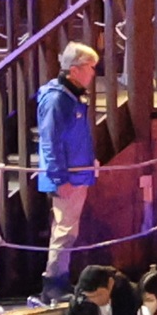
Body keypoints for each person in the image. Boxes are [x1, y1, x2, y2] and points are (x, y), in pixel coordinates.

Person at [34, 41, 108, 297]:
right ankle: (54, 284)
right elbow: (50, 141)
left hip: (77, 173)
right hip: (67, 177)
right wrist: (59, 178)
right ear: (74, 70)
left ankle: (59, 279)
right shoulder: (57, 99)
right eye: (90, 67)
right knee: (64, 231)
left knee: (67, 230)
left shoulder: (71, 97)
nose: (93, 73)